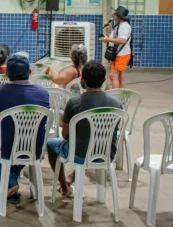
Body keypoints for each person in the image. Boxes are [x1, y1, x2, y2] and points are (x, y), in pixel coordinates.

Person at [0, 54, 50, 203]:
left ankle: (10, 180)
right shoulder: (43, 92)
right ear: (30, 72)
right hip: (34, 147)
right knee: (19, 152)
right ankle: (10, 179)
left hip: (4, 146)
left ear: (7, 74)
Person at [47, 60, 123, 198]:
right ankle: (71, 179)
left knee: (52, 145)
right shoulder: (117, 104)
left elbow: (65, 135)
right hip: (107, 153)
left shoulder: (74, 103)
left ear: (82, 80)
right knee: (91, 143)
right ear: (104, 81)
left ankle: (64, 187)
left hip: (80, 153)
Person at [99, 6, 132, 89]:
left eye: (115, 14)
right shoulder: (118, 26)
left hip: (122, 55)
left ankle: (115, 97)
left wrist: (108, 39)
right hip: (118, 55)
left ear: (119, 16)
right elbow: (110, 38)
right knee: (120, 76)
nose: (113, 16)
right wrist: (108, 29)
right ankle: (121, 97)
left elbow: (122, 40)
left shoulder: (124, 26)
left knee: (113, 76)